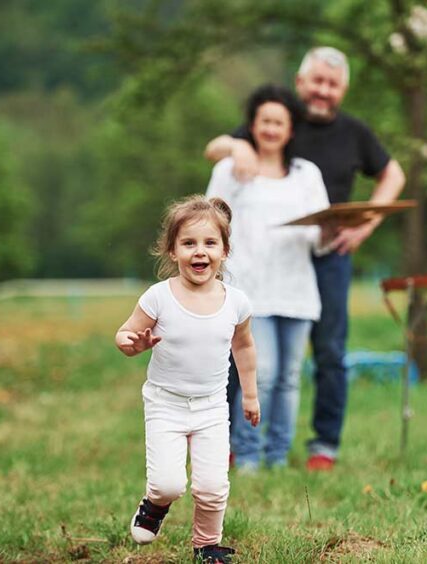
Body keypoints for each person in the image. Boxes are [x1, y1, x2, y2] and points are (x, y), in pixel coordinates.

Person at [205, 47, 405, 471]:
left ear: (343, 89)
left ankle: (321, 448)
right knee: (245, 359)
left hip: (323, 253)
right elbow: (216, 149)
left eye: (332, 84)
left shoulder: (353, 133)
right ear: (301, 83)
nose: (323, 91)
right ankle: (231, 444)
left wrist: (364, 226)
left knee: (326, 353)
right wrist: (235, 147)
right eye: (317, 81)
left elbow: (394, 174)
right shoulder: (271, 121)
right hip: (259, 264)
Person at [115, 195, 259, 563]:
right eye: (189, 243)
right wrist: (134, 345)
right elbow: (125, 335)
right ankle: (155, 503)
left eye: (210, 243)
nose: (200, 252)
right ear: (172, 251)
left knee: (212, 486)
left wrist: (250, 396)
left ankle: (207, 546)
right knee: (169, 483)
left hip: (212, 406)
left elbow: (243, 348)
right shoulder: (158, 298)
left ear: (224, 251)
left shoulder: (236, 302)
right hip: (166, 403)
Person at [206, 84, 330, 471]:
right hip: (249, 292)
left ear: (291, 129)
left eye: (280, 122)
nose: (272, 129)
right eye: (265, 121)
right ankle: (247, 455)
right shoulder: (231, 169)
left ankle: (277, 456)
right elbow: (210, 223)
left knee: (290, 379)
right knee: (261, 375)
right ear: (253, 125)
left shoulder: (307, 174)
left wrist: (334, 230)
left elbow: (320, 238)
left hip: (297, 290)